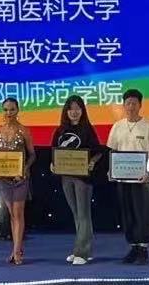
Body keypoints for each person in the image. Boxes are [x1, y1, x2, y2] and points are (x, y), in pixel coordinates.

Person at [107, 88, 149, 264]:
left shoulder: (148, 126)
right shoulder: (117, 126)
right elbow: (113, 151)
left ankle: (143, 248)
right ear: (124, 105)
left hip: (142, 180)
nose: (131, 106)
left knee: (142, 214)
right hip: (122, 179)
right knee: (128, 214)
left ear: (140, 105)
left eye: (134, 103)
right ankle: (133, 247)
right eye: (128, 103)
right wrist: (111, 170)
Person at [52, 95, 104, 266]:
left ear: (82, 110)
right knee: (76, 213)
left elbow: (98, 151)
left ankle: (82, 251)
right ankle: (82, 250)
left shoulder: (88, 129)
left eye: (77, 108)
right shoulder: (60, 131)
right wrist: (53, 164)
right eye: (71, 109)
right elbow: (54, 152)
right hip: (66, 176)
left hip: (83, 178)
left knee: (83, 214)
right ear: (66, 111)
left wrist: (92, 161)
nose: (74, 112)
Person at [0, 97, 36, 265]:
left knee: (18, 213)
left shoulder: (24, 131)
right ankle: (17, 248)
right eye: (6, 109)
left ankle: (17, 251)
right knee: (11, 214)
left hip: (20, 178)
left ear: (18, 110)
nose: (8, 113)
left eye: (12, 109)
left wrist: (25, 168)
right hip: (3, 179)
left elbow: (32, 155)